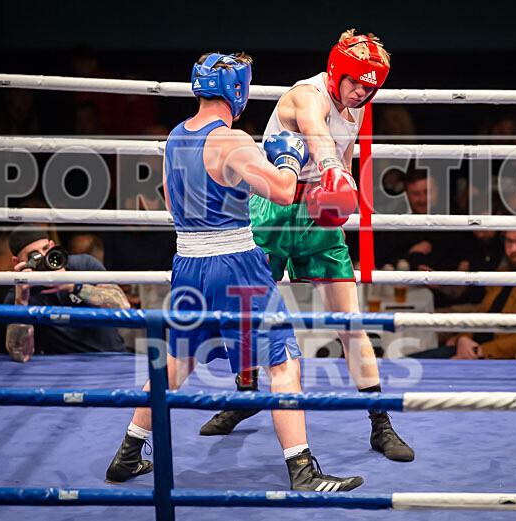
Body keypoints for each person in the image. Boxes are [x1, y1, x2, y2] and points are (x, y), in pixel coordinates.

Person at [105, 52, 364, 492]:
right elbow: (283, 193)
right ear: (238, 91)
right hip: (235, 265)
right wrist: (286, 158)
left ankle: (128, 454)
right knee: (284, 363)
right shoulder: (233, 140)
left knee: (177, 360)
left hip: (187, 263)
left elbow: (171, 200)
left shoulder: (174, 138)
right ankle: (303, 471)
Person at [198, 30, 414, 463]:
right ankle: (244, 397)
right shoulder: (305, 95)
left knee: (349, 321)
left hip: (319, 217)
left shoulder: (356, 107)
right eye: (356, 83)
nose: (361, 93)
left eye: (370, 88)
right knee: (247, 312)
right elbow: (317, 134)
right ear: (337, 70)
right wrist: (333, 169)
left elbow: (344, 156)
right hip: (273, 210)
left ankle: (380, 423)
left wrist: (342, 194)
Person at [4, 225, 129, 362]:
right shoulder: (19, 296)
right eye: (35, 256)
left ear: (52, 245)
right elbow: (21, 355)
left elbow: (122, 306)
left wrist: (73, 286)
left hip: (112, 358)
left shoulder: (83, 265)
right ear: (18, 262)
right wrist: (21, 301)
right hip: (63, 368)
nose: (44, 257)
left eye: (46, 249)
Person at [450, 230, 516, 359]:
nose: (513, 249)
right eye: (509, 241)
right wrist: (463, 339)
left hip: (501, 358)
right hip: (473, 348)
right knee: (423, 362)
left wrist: (481, 350)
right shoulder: (502, 271)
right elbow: (482, 312)